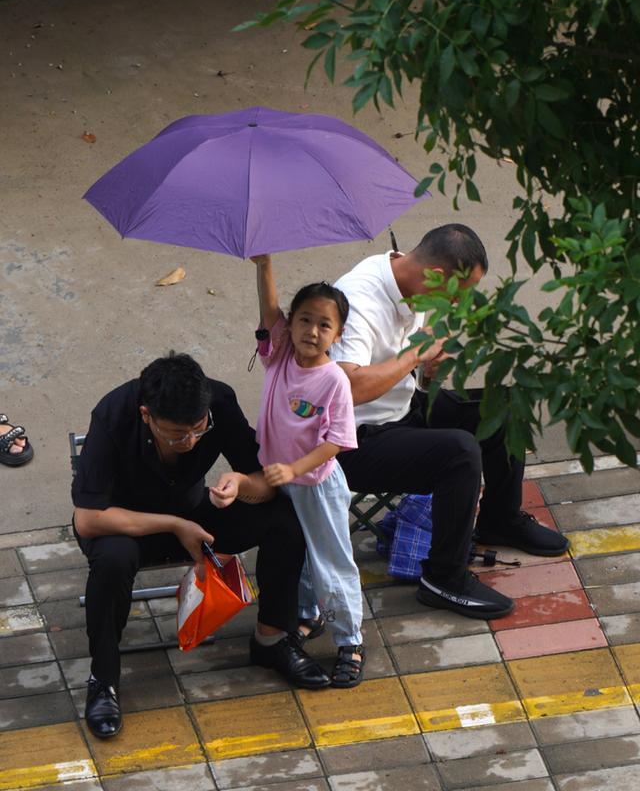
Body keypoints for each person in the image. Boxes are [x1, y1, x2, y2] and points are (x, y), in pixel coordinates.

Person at [72, 353, 331, 740]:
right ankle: (104, 679)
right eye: (176, 435)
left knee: (284, 520)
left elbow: (264, 482)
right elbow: (88, 519)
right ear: (147, 416)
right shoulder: (113, 414)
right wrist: (175, 526)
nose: (190, 441)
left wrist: (240, 485)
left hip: (195, 516)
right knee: (112, 559)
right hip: (127, 527)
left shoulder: (219, 403)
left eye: (198, 429)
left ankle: (272, 639)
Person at [331, 223, 569, 620]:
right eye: (462, 293)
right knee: (459, 453)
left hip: (400, 408)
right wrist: (416, 356)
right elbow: (349, 388)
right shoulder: (358, 300)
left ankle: (500, 519)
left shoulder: (413, 279)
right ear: (439, 276)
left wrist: (429, 370)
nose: (461, 304)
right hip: (351, 440)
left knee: (503, 406)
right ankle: (443, 579)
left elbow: (418, 363)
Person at [250, 254, 365, 687]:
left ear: (337, 334)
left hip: (316, 487)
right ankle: (305, 615)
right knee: (295, 557)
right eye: (303, 320)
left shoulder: (334, 380)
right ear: (290, 325)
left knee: (331, 565)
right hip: (285, 482)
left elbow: (335, 442)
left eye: (323, 325)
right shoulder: (279, 356)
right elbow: (267, 312)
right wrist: (263, 266)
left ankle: (350, 641)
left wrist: (292, 468)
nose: (311, 332)